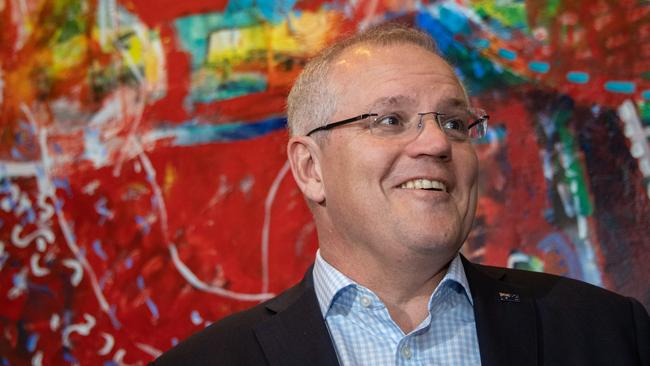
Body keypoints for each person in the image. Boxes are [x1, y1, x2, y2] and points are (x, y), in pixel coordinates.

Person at [152, 23, 649, 366]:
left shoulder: (609, 333)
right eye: (390, 120)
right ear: (310, 168)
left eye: (454, 123)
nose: (436, 143)